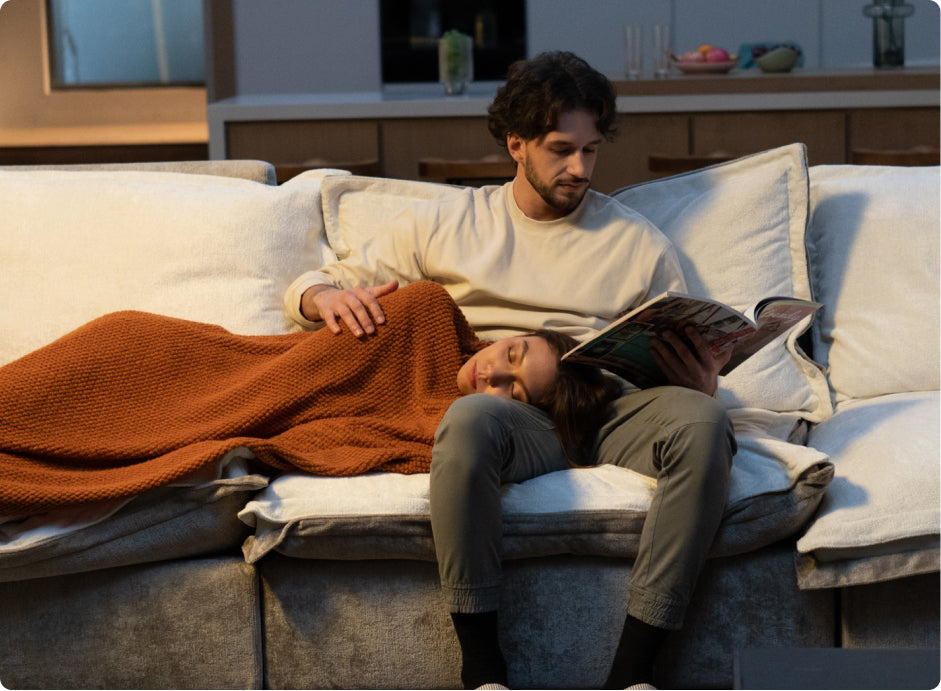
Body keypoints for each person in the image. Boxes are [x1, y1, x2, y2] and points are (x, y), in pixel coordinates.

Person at [284, 52, 735, 689]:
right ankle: (484, 670)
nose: (579, 168)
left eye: (591, 150)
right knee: (468, 419)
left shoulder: (639, 243)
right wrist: (318, 296)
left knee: (705, 420)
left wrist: (699, 382)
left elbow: (668, 344)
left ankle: (635, 674)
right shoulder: (446, 223)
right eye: (560, 150)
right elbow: (326, 284)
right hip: (509, 406)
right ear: (516, 144)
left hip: (607, 404)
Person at [0, 281, 615, 515]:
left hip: (232, 407)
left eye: (512, 390)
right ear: (508, 337)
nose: (493, 377)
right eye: (509, 355)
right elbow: (301, 358)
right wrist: (321, 293)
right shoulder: (428, 308)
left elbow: (338, 429)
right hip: (193, 358)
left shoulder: (454, 426)